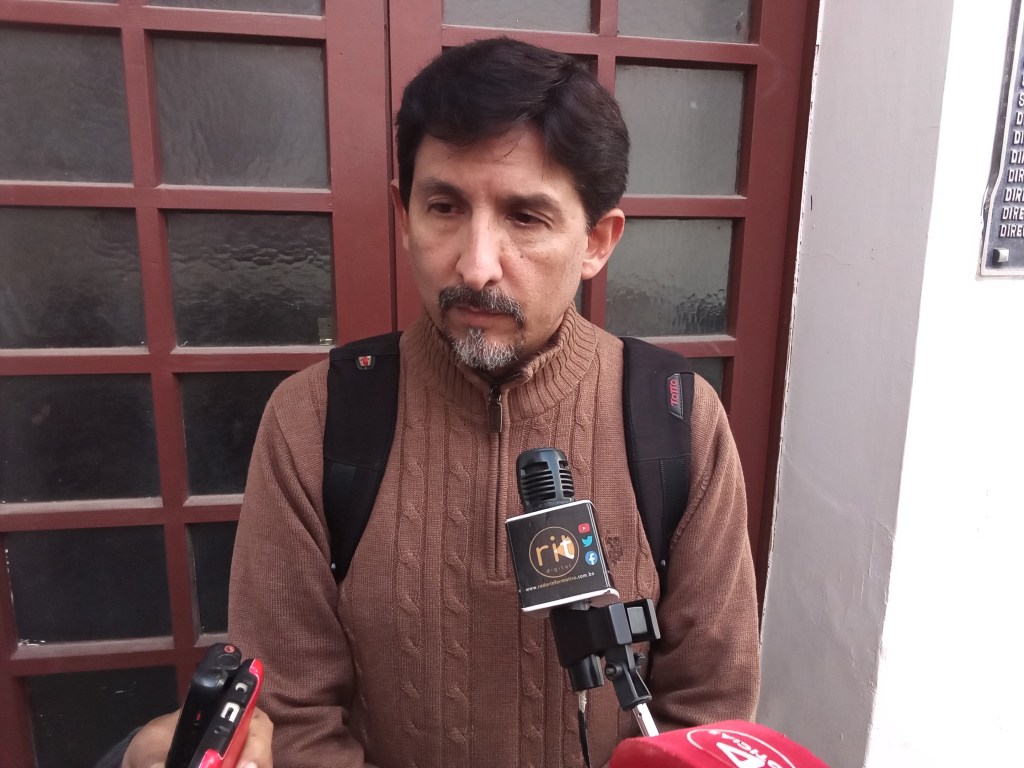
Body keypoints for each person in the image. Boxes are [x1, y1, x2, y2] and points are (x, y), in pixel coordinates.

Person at [120, 36, 759, 768]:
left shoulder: (677, 422)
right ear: (404, 214)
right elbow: (290, 716)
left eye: (526, 217)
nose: (476, 265)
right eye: (445, 206)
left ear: (597, 241)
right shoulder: (315, 420)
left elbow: (708, 712)